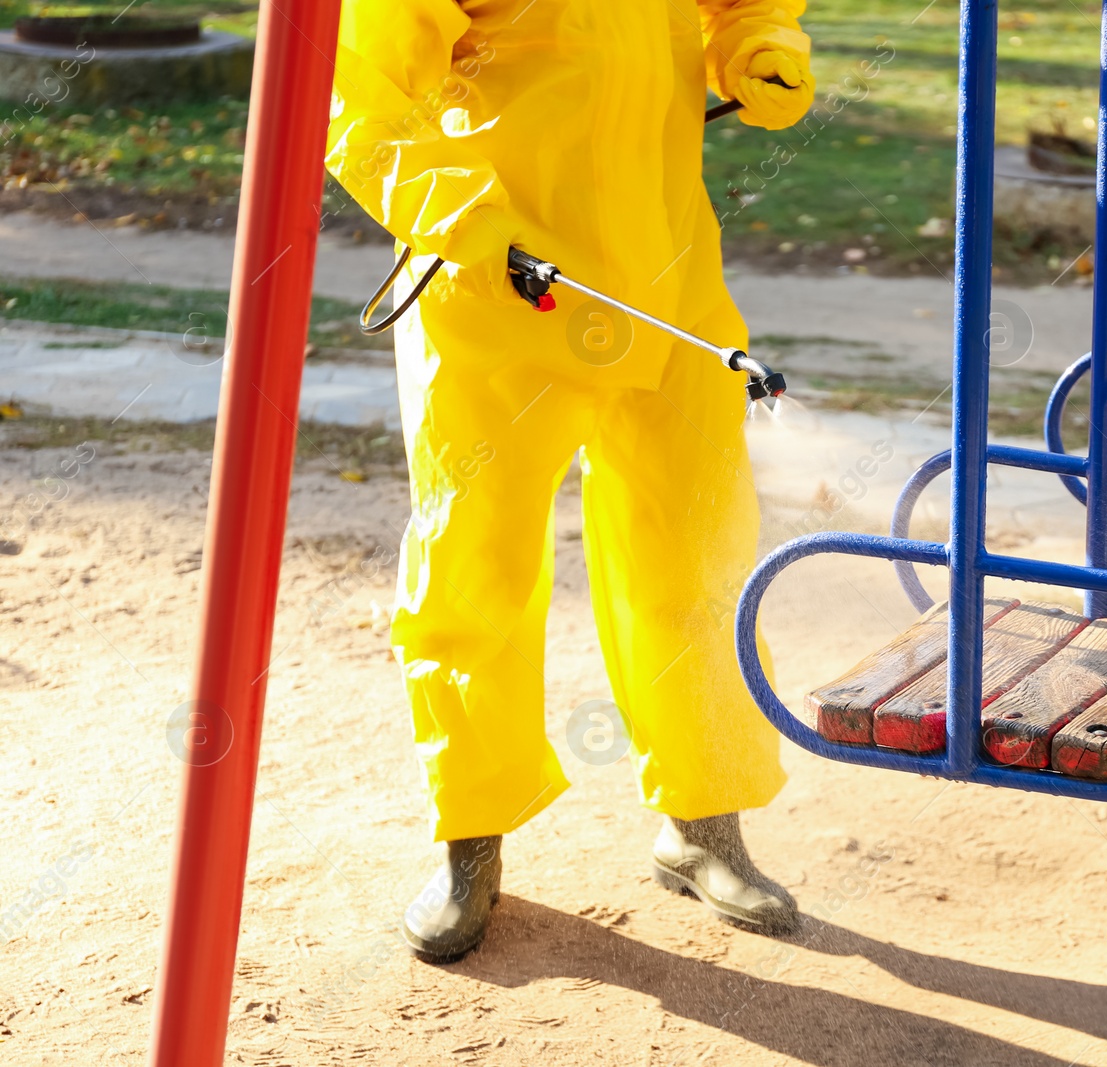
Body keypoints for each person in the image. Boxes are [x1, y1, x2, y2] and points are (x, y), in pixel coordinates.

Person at [326, 0, 815, 963]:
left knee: (696, 551)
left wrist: (761, 49)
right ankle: (471, 842)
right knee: (473, 575)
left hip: (665, 277)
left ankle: (702, 823)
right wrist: (466, 218)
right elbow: (357, 91)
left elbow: (745, 8)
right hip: (494, 290)